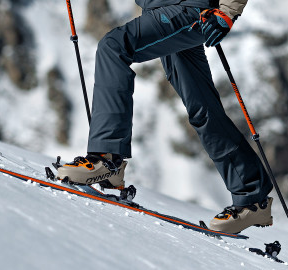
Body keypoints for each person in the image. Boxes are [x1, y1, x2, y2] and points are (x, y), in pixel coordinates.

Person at [55, 0, 273, 234]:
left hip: (187, 9)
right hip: (166, 10)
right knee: (202, 107)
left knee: (114, 46)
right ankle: (252, 198)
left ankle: (106, 158)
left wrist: (227, 12)